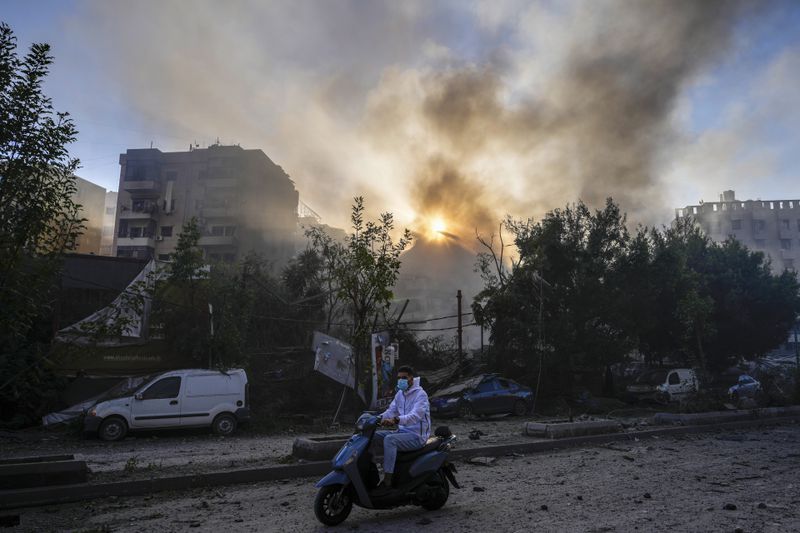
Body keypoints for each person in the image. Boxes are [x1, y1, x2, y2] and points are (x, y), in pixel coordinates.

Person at [372, 365, 430, 492]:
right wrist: (375, 419)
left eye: (404, 377)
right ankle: (370, 471)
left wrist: (396, 420)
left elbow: (415, 416)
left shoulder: (421, 395)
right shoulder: (400, 394)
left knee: (389, 440)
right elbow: (390, 411)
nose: (401, 381)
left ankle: (388, 480)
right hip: (402, 433)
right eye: (399, 378)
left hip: (417, 437)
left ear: (411, 378)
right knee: (372, 436)